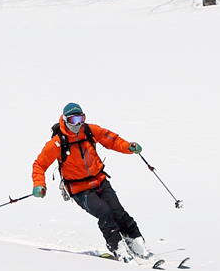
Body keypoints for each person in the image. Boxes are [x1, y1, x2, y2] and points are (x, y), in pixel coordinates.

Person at [31, 102, 150, 259]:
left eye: (81, 118)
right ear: (66, 120)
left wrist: (129, 147)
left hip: (100, 180)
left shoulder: (89, 130)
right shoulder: (57, 143)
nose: (78, 123)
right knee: (104, 212)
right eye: (74, 120)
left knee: (119, 212)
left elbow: (112, 140)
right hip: (79, 189)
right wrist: (39, 185)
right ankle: (117, 247)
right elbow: (39, 165)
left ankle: (137, 245)